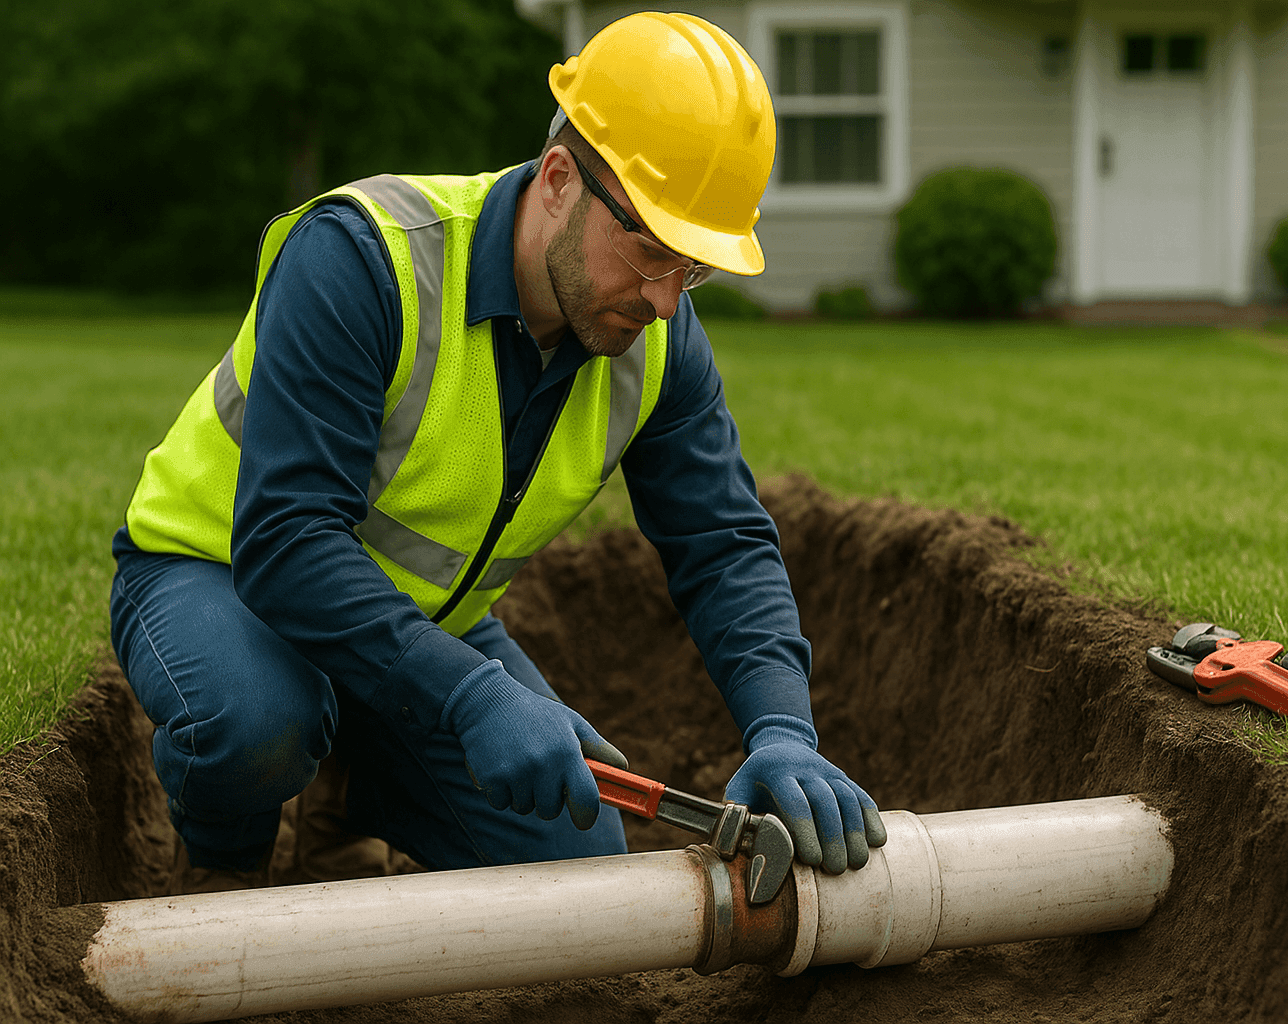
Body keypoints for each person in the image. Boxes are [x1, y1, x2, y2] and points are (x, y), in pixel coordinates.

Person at [108, 11, 886, 892]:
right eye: (650, 250)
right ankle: (223, 857)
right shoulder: (365, 259)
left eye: (694, 268)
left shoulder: (658, 340)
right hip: (218, 575)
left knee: (578, 863)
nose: (667, 300)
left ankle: (347, 788)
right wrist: (471, 693)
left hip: (419, 624)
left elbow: (723, 545)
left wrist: (783, 729)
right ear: (559, 178)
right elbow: (287, 541)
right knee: (259, 724)